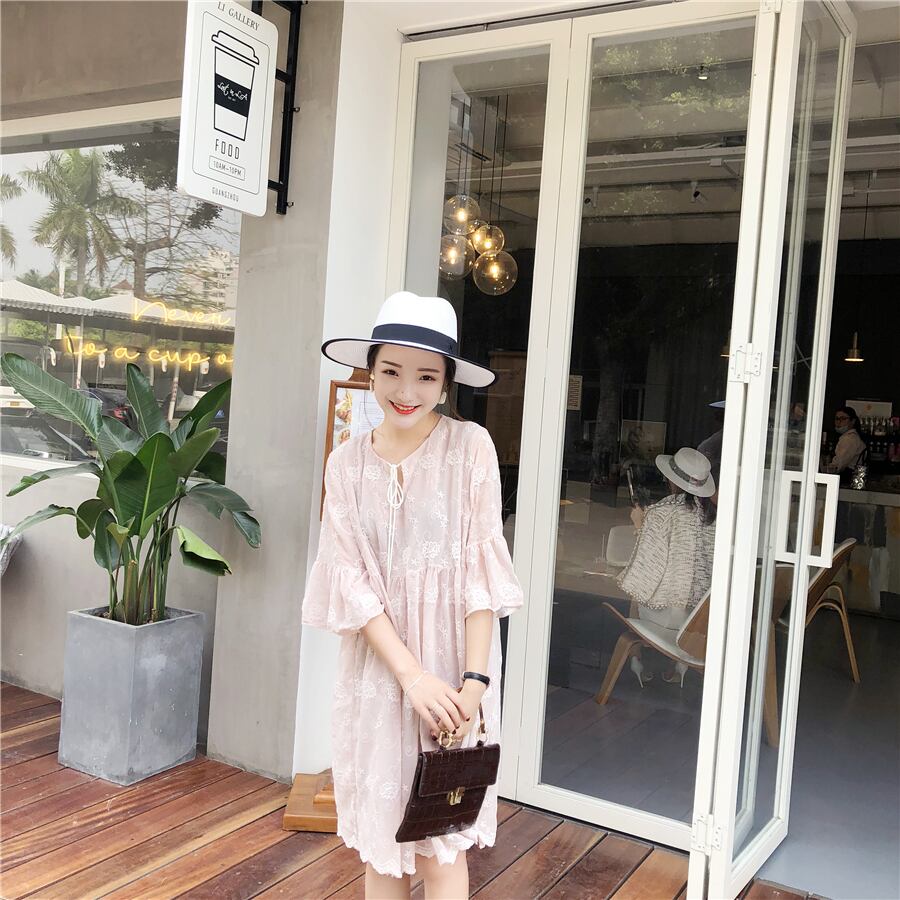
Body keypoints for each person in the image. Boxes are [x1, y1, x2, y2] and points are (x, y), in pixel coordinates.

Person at [303, 291, 524, 899]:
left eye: (426, 376)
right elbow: (350, 582)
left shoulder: (470, 447)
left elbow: (480, 573)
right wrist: (410, 677)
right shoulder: (345, 464)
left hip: (456, 674)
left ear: (446, 382)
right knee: (384, 849)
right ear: (370, 370)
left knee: (441, 847)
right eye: (392, 371)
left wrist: (473, 685)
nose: (406, 390)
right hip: (380, 672)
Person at [617, 447, 717, 685]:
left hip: (667, 618)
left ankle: (635, 660)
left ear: (671, 480)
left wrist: (640, 524)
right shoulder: (715, 517)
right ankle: (680, 665)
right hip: (700, 620)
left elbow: (647, 569)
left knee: (635, 593)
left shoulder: (662, 512)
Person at [824, 405, 866, 482]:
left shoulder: (850, 439)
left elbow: (839, 463)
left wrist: (827, 470)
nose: (839, 422)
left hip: (847, 478)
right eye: (837, 419)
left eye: (843, 418)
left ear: (853, 421)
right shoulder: (849, 437)